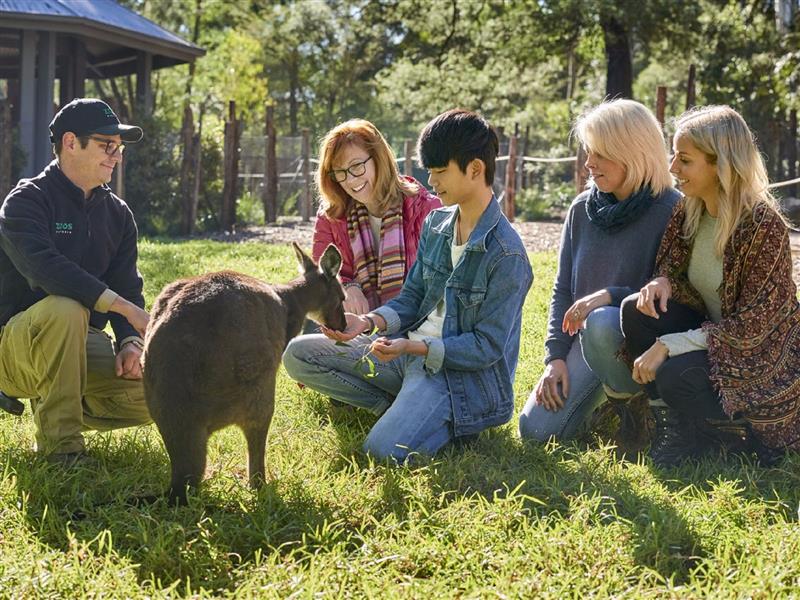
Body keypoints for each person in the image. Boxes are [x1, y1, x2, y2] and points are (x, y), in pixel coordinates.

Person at [283, 109, 532, 462]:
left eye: (439, 171)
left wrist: (413, 348)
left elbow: (486, 348)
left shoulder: (507, 255)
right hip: (407, 355)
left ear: (475, 169)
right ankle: (402, 408)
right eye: (429, 170)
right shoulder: (438, 224)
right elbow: (413, 298)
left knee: (381, 452)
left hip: (455, 379)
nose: (431, 181)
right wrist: (366, 324)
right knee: (299, 354)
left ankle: (446, 419)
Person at [621, 105, 800, 467]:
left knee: (674, 374)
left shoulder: (763, 227)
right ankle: (681, 430)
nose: (672, 168)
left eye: (684, 160)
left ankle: (733, 429)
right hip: (711, 338)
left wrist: (671, 344)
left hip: (758, 358)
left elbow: (755, 327)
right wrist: (662, 281)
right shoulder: (690, 209)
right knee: (636, 310)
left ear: (720, 164)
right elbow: (672, 265)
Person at [0, 98, 152, 466]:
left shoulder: (118, 214)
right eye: (106, 145)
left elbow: (128, 285)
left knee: (164, 392)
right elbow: (45, 269)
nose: (116, 155)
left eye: (119, 148)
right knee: (65, 307)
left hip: (80, 343)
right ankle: (61, 449)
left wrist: (131, 341)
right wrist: (123, 308)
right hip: (13, 349)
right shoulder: (25, 202)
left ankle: (62, 400)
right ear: (71, 142)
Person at [518, 99, 679, 444]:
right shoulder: (581, 209)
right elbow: (563, 289)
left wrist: (608, 296)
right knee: (534, 432)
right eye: (589, 152)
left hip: (643, 348)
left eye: (601, 154)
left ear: (632, 152)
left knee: (604, 319)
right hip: (586, 343)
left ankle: (636, 409)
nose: (589, 163)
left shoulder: (672, 209)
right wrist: (555, 358)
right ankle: (607, 405)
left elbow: (674, 294)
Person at [313, 119, 441, 315]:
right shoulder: (331, 216)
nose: (350, 180)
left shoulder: (428, 210)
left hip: (415, 330)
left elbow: (439, 287)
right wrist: (347, 286)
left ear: (378, 158)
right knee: (298, 346)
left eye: (356, 166)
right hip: (356, 329)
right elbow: (319, 276)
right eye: (340, 172)